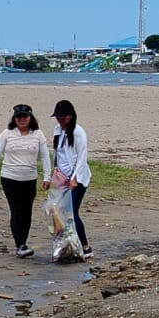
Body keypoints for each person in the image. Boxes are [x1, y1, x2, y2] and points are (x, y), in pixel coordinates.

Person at [0, 104, 52, 258]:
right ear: (14, 118)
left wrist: (47, 177)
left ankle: (23, 241)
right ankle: (20, 244)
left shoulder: (38, 134)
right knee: (16, 210)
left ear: (30, 118)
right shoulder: (7, 134)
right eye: (18, 117)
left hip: (29, 178)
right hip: (10, 178)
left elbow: (45, 156)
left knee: (26, 212)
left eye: (25, 116)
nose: (22, 119)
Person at [50, 99, 92, 258]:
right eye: (58, 118)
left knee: (72, 213)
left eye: (63, 118)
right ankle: (65, 246)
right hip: (62, 178)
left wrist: (75, 178)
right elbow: (58, 154)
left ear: (71, 116)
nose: (60, 121)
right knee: (60, 213)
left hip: (77, 179)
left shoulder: (78, 132)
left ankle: (86, 246)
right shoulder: (57, 130)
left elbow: (82, 157)